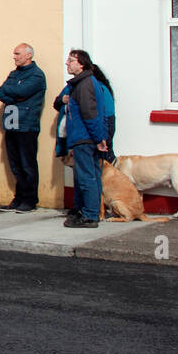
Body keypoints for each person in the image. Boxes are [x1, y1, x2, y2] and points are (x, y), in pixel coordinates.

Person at [61, 49, 110, 228]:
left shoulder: (85, 84)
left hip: (85, 138)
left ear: (81, 63)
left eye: (71, 60)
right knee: (91, 176)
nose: (67, 63)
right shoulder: (86, 83)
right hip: (86, 138)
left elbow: (90, 114)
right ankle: (87, 211)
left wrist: (98, 138)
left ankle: (90, 215)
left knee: (87, 177)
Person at [0, 43, 47, 213]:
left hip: (27, 125)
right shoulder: (14, 74)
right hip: (11, 124)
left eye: (17, 53)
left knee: (27, 165)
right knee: (15, 165)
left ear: (28, 55)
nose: (14, 56)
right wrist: (13, 94)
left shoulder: (37, 76)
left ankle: (30, 200)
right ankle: (18, 198)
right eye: (14, 53)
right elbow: (1, 91)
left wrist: (14, 93)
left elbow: (22, 92)